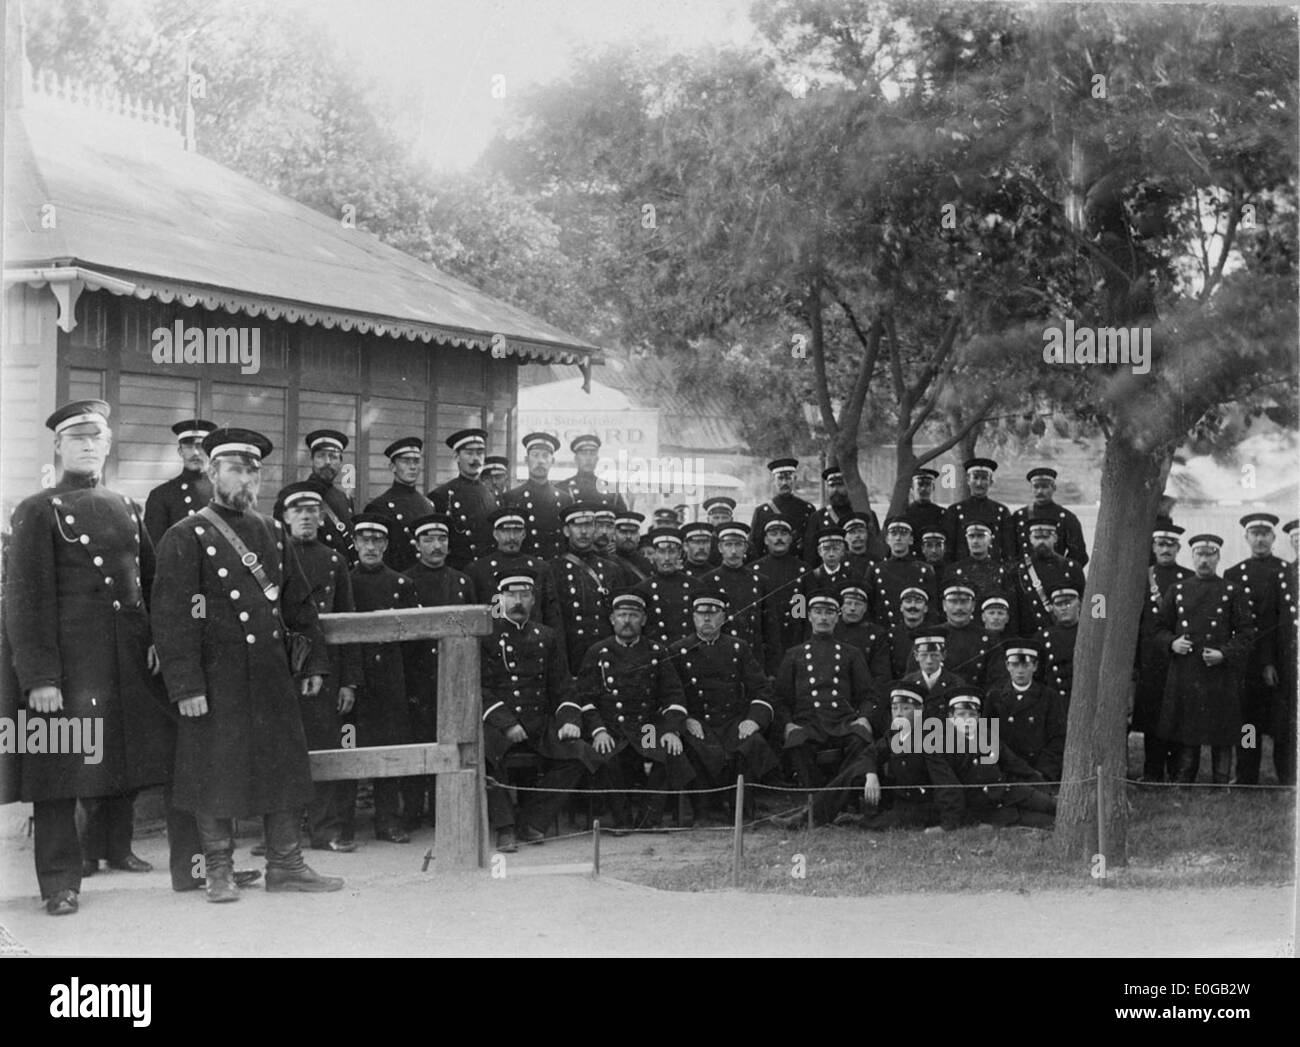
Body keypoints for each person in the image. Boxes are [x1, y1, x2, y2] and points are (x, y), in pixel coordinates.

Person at [152, 426, 342, 902]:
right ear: (213, 472)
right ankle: (217, 870)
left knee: (283, 767)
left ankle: (286, 865)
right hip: (215, 679)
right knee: (213, 770)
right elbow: (173, 617)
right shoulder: (186, 535)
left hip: (270, 673)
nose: (247, 479)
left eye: (254, 470)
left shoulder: (273, 533)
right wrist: (186, 685)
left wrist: (314, 662)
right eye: (236, 468)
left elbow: (300, 606)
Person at [5, 400, 172, 915]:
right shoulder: (37, 510)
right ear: (58, 445)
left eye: (96, 436)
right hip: (68, 669)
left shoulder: (126, 506)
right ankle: (59, 882)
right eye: (76, 437)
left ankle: (121, 850)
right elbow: (26, 601)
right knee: (57, 772)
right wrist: (39, 677)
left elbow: (149, 582)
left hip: (124, 660)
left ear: (107, 444)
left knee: (128, 756)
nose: (87, 444)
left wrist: (156, 640)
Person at [481, 569, 600, 851]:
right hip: (500, 723)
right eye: (511, 595)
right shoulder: (486, 635)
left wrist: (569, 718)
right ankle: (505, 828)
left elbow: (563, 685)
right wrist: (507, 723)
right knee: (484, 754)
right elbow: (480, 688)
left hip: (538, 720)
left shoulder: (546, 636)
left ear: (533, 600)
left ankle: (532, 820)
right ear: (500, 599)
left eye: (524, 595)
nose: (518, 601)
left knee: (578, 753)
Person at [275, 482, 361, 852]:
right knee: (282, 751)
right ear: (285, 517)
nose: (307, 517)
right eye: (299, 511)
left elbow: (348, 622)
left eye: (314, 511)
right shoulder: (272, 557)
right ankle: (282, 833)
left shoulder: (333, 560)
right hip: (281, 668)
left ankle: (326, 830)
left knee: (328, 746)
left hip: (327, 669)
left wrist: (349, 682)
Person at [575, 589, 693, 830]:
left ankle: (649, 819)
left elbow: (673, 695)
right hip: (612, 728)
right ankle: (622, 820)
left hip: (646, 728)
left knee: (664, 753)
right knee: (608, 757)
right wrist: (598, 730)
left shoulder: (656, 652)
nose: (627, 621)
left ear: (643, 620)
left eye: (633, 615)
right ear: (612, 619)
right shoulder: (597, 652)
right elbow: (585, 698)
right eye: (621, 615)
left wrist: (671, 729)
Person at [765, 592, 882, 828]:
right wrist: (788, 723)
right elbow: (780, 698)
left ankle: (815, 813)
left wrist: (865, 719)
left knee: (860, 739)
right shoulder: (794, 654)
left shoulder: (851, 653)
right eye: (818, 612)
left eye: (829, 613)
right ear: (809, 616)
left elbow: (869, 695)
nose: (823, 618)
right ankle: (828, 808)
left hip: (842, 721)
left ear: (837, 618)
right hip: (808, 723)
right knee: (796, 741)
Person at [346, 512, 422, 842]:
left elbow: (414, 644)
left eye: (378, 540)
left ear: (387, 545)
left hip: (391, 679)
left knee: (390, 748)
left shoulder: (401, 584)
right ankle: (344, 822)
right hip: (354, 679)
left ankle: (388, 821)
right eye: (364, 539)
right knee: (348, 749)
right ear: (355, 543)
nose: (371, 546)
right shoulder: (344, 581)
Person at [1155, 534, 1255, 785]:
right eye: (1199, 554)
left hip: (1220, 673)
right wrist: (1172, 643)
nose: (1204, 560)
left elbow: (1247, 633)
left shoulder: (1233, 591)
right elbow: (1158, 629)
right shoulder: (1177, 590)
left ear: (1218, 557)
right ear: (1192, 556)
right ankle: (1184, 780)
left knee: (1223, 731)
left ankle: (1221, 783)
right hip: (1187, 671)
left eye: (1210, 555)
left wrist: (1225, 653)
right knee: (1188, 729)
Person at [671, 590, 780, 822]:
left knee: (751, 742)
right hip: (698, 720)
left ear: (724, 617)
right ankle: (701, 812)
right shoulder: (678, 650)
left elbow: (761, 689)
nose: (707, 619)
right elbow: (670, 694)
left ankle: (742, 811)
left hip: (732, 720)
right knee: (693, 744)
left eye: (713, 614)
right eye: (701, 614)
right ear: (693, 618)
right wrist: (686, 719)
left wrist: (753, 719)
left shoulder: (738, 648)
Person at [403, 513, 476, 829]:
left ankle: (446, 811)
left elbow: (474, 628)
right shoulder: (404, 581)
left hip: (456, 675)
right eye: (429, 540)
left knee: (453, 743)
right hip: (418, 675)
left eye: (442, 539)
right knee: (418, 740)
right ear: (417, 544)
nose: (436, 546)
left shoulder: (462, 582)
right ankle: (412, 811)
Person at [925, 691, 1056, 831]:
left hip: (1010, 792)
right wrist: (950, 824)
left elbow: (1015, 764)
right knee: (1048, 822)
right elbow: (949, 788)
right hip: (986, 808)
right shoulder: (941, 746)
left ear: (978, 717)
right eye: (961, 714)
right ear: (951, 717)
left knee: (1054, 806)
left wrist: (1044, 789)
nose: (967, 719)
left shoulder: (986, 735)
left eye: (972, 715)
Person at [1223, 513, 1287, 785]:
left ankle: (1286, 775)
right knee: (1248, 721)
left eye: (1265, 534)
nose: (1260, 539)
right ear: (1246, 538)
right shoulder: (1234, 574)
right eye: (1255, 534)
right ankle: (1247, 775)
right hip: (1247, 662)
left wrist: (1271, 660)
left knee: (1282, 722)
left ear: (1273, 538)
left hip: (1278, 659)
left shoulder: (1286, 572)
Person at [1132, 518, 1193, 782]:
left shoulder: (1189, 578)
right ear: (1153, 548)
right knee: (1152, 718)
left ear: (1178, 548)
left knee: (1178, 716)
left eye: (1171, 545)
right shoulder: (1142, 578)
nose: (1166, 549)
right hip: (1150, 659)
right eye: (1160, 544)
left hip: (1180, 658)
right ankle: (1152, 772)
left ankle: (1177, 771)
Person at [550, 503, 625, 673]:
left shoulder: (611, 570)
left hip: (604, 655)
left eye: (588, 525)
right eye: (577, 526)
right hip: (569, 656)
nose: (583, 532)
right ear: (566, 531)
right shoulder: (552, 569)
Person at [465, 507, 562, 631]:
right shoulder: (477, 570)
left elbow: (552, 617)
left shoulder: (541, 568)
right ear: (495, 534)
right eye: (505, 531)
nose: (511, 537)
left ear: (524, 534)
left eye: (517, 531)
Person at [983, 640, 1066, 783]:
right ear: (1007, 666)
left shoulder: (1048, 697)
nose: (1020, 671)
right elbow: (987, 738)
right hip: (1004, 772)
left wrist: (1043, 772)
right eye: (1015, 665)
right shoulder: (995, 697)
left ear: (1035, 666)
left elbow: (1057, 739)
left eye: (1025, 665)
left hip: (1037, 773)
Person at [862, 687, 935, 831]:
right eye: (894, 708)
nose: (898, 713)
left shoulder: (928, 738)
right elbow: (869, 753)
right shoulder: (894, 735)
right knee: (857, 771)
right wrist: (871, 775)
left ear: (919, 711)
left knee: (877, 824)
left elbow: (944, 780)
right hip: (899, 800)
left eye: (905, 708)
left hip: (921, 804)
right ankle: (817, 811)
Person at [279, 429, 356, 565]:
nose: (327, 462)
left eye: (333, 456)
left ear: (340, 462)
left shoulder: (345, 499)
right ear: (312, 460)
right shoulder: (292, 495)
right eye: (321, 456)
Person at [428, 428, 498, 570]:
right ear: (456, 456)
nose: (475, 459)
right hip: (457, 572)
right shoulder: (441, 496)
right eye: (469, 453)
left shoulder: (492, 496)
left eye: (480, 453)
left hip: (487, 573)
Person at [364, 436, 436, 572]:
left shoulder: (428, 505)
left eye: (416, 461)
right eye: (405, 461)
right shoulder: (379, 506)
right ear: (392, 467)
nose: (412, 467)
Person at [1012, 511, 1086, 636]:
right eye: (1037, 537)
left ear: (1055, 538)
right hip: (1031, 636)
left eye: (1046, 537)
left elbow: (1086, 601)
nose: (1041, 542)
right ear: (1030, 539)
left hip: (1064, 635)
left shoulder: (1072, 568)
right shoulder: (1020, 570)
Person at [144, 418, 216, 544]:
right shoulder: (161, 495)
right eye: (189, 446)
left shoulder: (223, 492)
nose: (195, 452)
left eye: (200, 446)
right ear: (180, 451)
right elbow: (155, 550)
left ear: (209, 451)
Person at [502, 432, 572, 561]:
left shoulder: (564, 499)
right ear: (526, 460)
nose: (540, 461)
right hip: (524, 567)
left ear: (553, 461)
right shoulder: (511, 498)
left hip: (555, 567)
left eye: (545, 456)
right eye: (535, 455)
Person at [704, 521, 770, 654]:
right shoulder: (707, 581)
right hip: (720, 653)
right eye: (728, 545)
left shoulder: (760, 581)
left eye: (738, 544)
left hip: (752, 653)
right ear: (720, 547)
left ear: (745, 547)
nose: (733, 551)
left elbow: (770, 627)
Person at [754, 518, 809, 675]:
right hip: (766, 642)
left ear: (790, 539)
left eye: (784, 534)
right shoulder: (755, 570)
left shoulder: (803, 570)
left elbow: (806, 610)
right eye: (773, 534)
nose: (779, 538)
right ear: (765, 540)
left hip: (795, 637)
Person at [865, 518, 939, 632]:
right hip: (884, 632)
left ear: (911, 540)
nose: (898, 538)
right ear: (887, 539)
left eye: (903, 534)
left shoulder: (924, 569)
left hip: (916, 631)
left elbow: (932, 609)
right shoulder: (875, 570)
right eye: (894, 534)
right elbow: (869, 608)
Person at [803, 465, 881, 567]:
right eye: (832, 486)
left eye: (840, 485)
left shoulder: (865, 514)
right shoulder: (817, 518)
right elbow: (810, 555)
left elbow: (874, 548)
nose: (835, 490)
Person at [634, 527, 700, 645]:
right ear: (654, 554)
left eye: (672, 552)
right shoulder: (642, 589)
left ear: (680, 553)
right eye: (662, 552)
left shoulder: (696, 586)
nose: (667, 558)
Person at [943, 457, 1016, 563]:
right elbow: (948, 550)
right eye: (975, 477)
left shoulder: (1001, 511)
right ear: (968, 480)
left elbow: (1009, 550)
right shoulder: (954, 511)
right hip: (961, 572)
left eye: (984, 478)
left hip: (993, 571)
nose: (979, 483)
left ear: (991, 481)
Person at [1011, 467, 1088, 565]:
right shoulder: (1019, 517)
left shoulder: (1067, 518)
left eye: (1044, 487)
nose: (1040, 491)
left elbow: (1079, 555)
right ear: (1031, 488)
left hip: (1056, 576)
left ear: (1054, 488)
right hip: (1025, 576)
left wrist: (1064, 571)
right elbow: (1009, 552)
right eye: (1036, 486)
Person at [749, 458, 815, 560]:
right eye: (780, 478)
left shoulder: (807, 509)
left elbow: (811, 546)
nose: (784, 482)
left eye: (788, 478)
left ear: (795, 479)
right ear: (773, 481)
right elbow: (755, 548)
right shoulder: (762, 511)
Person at [898, 625, 969, 720]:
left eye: (934, 655)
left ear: (943, 655)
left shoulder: (956, 683)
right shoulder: (907, 683)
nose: (929, 661)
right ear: (916, 656)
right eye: (923, 655)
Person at [942, 521, 1017, 611]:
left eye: (981, 536)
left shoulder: (1001, 571)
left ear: (990, 540)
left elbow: (1010, 606)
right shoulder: (953, 571)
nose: (975, 541)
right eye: (971, 536)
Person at [833, 582, 893, 683]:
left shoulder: (877, 634)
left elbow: (881, 675)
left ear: (865, 608)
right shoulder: (830, 629)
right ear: (840, 607)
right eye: (848, 603)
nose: (852, 608)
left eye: (858, 604)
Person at [558, 434, 627, 511]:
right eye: (584, 454)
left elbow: (622, 519)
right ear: (576, 459)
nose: (588, 458)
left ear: (597, 459)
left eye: (592, 454)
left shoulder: (611, 490)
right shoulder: (563, 488)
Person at [1040, 587, 1082, 707]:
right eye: (1059, 604)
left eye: (1068, 603)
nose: (1064, 608)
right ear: (1053, 609)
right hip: (1057, 704)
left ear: (1078, 604)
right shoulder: (1043, 637)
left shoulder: (1089, 632)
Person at [902, 467, 947, 559]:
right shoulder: (904, 514)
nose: (923, 489)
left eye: (928, 485)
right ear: (912, 488)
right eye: (920, 484)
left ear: (933, 488)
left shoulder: (942, 514)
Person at [612, 510, 653, 582]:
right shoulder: (608, 561)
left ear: (638, 536)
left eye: (633, 532)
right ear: (614, 534)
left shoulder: (646, 564)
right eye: (623, 532)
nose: (629, 536)